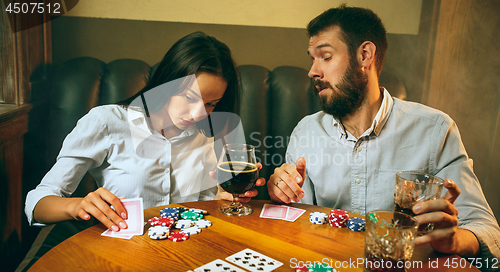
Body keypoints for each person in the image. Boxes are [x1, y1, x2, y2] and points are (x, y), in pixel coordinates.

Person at [267, 5, 500, 265]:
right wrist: (281, 193)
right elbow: (298, 223)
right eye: (312, 58)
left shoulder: (435, 130)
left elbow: (488, 231)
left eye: (326, 57)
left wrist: (454, 241)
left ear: (365, 55)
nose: (313, 71)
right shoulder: (306, 131)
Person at [25, 31, 265, 233]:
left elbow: (203, 206)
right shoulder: (107, 122)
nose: (198, 114)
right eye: (190, 97)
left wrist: (222, 198)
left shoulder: (207, 133)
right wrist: (76, 206)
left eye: (211, 104)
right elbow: (37, 203)